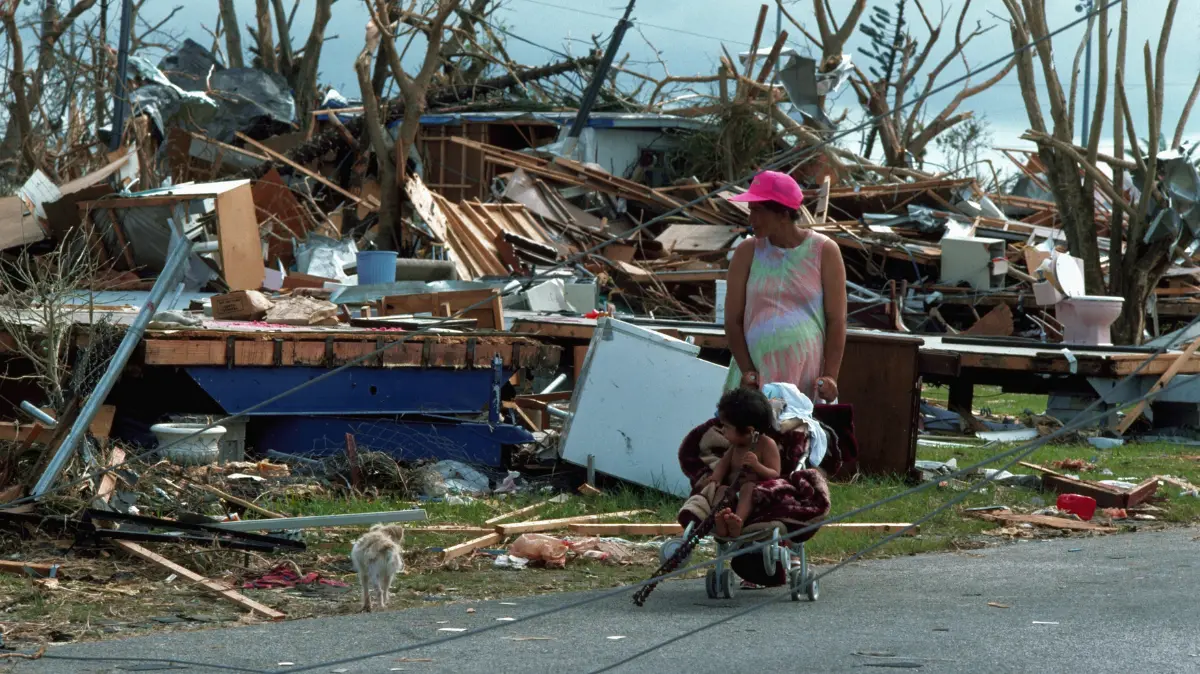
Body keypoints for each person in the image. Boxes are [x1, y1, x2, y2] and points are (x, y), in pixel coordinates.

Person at [724, 170, 848, 404]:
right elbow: (732, 320)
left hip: (804, 377)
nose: (751, 219)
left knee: (795, 436)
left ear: (783, 213)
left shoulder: (824, 251)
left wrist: (831, 375)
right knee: (747, 435)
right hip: (754, 374)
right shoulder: (747, 252)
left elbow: (837, 320)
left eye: (758, 211)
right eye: (751, 210)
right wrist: (747, 370)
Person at [705, 387, 781, 539]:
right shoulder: (735, 447)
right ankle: (718, 520)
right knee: (722, 491)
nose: (723, 431)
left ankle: (737, 522)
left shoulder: (767, 445)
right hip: (732, 492)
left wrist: (757, 466)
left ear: (749, 431)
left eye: (726, 427)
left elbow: (775, 474)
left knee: (748, 488)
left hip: (754, 497)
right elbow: (723, 464)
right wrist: (716, 478)